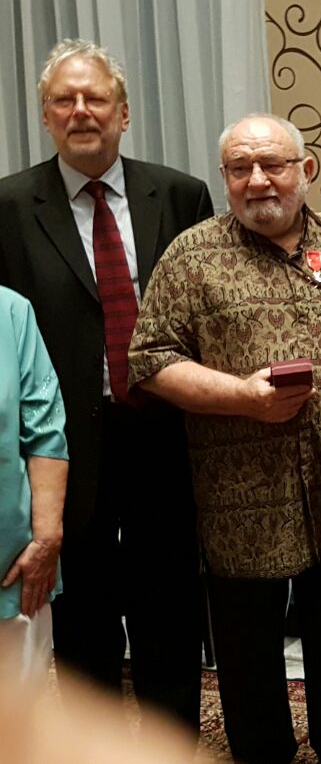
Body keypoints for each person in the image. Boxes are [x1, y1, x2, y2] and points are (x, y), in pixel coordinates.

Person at [128, 113, 321, 763]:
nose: (258, 179)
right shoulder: (191, 256)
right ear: (225, 177)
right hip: (240, 501)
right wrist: (243, 396)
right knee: (249, 665)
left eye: (273, 164)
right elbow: (149, 360)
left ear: (307, 170)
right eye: (240, 168)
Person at [0, 39, 209, 734]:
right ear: (45, 116)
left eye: (96, 98)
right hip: (63, 450)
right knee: (82, 627)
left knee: (169, 616)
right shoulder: (8, 206)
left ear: (124, 113)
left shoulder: (179, 195)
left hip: (164, 437)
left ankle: (172, 743)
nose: (80, 111)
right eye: (64, 100)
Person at [0, 286, 68, 683]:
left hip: (12, 570)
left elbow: (45, 432)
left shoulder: (11, 311)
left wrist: (46, 542)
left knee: (18, 710)